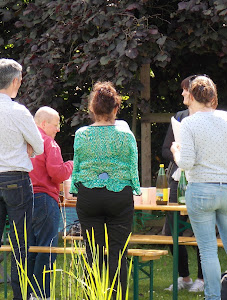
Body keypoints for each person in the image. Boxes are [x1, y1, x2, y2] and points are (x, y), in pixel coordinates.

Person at [170, 75, 227, 300]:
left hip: (200, 190)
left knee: (208, 251)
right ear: (212, 96)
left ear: (192, 95)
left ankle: (213, 298)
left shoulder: (189, 122)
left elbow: (186, 163)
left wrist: (176, 152)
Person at [0, 58, 44, 300]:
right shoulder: (18, 111)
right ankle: (20, 296)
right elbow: (40, 146)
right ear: (15, 80)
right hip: (16, 180)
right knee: (20, 244)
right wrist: (27, 147)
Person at [70, 81, 141, 297]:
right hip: (119, 196)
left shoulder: (82, 134)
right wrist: (135, 189)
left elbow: (78, 165)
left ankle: (92, 295)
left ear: (92, 109)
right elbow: (132, 168)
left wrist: (75, 188)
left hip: (89, 196)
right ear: (116, 109)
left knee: (92, 253)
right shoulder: (125, 135)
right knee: (119, 254)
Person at [162, 75, 204, 292]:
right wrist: (180, 156)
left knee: (201, 230)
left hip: (201, 180)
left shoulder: (211, 118)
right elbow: (164, 149)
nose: (182, 94)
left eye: (184, 90)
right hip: (178, 179)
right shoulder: (179, 117)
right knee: (171, 231)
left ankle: (202, 278)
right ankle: (184, 276)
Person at [28, 106, 73, 299]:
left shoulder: (24, 141)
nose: (58, 129)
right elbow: (57, 173)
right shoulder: (48, 143)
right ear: (44, 123)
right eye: (56, 125)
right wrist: (72, 164)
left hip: (22, 200)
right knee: (47, 248)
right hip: (45, 199)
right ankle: (41, 294)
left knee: (29, 248)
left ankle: (26, 291)